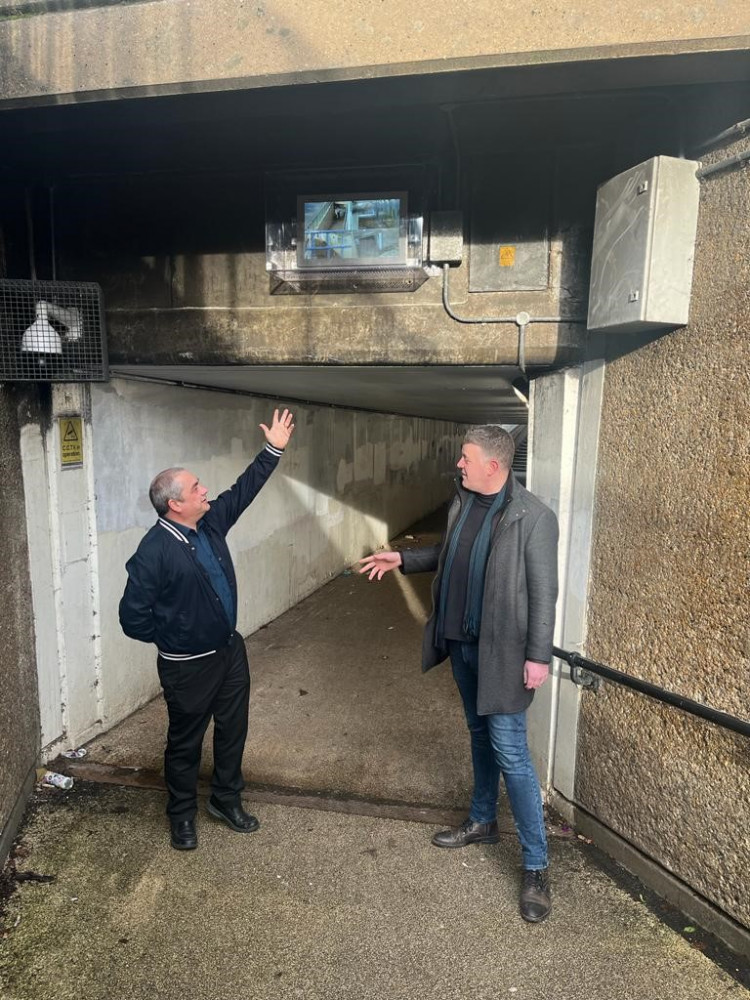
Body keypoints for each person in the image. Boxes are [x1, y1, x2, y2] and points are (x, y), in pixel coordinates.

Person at [359, 425, 558, 922]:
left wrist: (538, 656)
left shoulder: (533, 517)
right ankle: (483, 820)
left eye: (466, 459)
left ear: (494, 465)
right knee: (477, 735)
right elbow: (451, 555)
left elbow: (543, 594)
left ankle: (535, 865)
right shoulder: (463, 502)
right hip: (462, 644)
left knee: (511, 751)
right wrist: (403, 558)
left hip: (504, 654)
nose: (459, 465)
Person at [119, 408, 295, 851]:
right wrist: (178, 638)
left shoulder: (209, 523)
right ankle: (181, 816)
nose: (206, 491)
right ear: (175, 503)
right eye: (197, 488)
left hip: (229, 652)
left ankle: (225, 799)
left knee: (233, 729)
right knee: (185, 743)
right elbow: (132, 618)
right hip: (187, 666)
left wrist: (272, 450)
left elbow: (243, 491)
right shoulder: (153, 552)